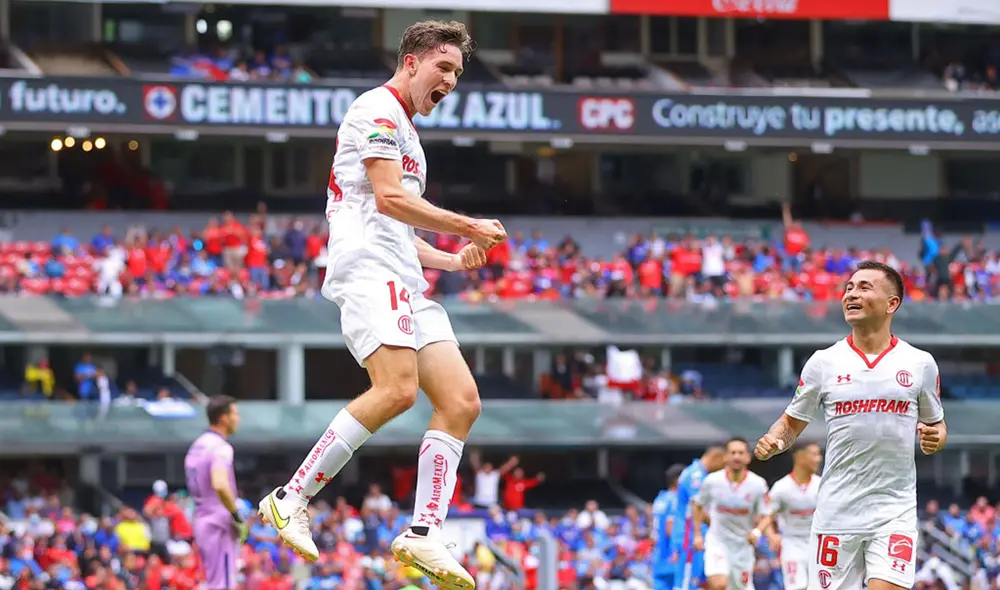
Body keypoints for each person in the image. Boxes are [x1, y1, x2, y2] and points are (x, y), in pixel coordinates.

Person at [257, 19, 507, 590]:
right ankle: (290, 497)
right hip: (369, 271)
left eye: (458, 72)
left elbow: (396, 224)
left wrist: (451, 260)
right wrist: (468, 224)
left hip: (402, 274)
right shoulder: (376, 109)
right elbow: (391, 199)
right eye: (444, 67)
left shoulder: (408, 133)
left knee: (461, 401)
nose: (451, 80)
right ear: (412, 61)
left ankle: (423, 533)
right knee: (396, 389)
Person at [754, 261, 947, 590]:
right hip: (837, 512)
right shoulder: (823, 362)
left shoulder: (920, 363)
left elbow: (937, 425)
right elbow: (790, 423)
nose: (851, 294)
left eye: (864, 287)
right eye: (849, 288)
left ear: (892, 303)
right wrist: (775, 439)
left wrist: (935, 438)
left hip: (893, 509)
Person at [692, 438, 770, 590]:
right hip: (717, 542)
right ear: (725, 457)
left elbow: (767, 515)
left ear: (748, 457)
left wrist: (757, 531)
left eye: (740, 453)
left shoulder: (757, 484)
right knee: (719, 584)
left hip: (743, 546)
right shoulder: (712, 481)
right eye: (732, 453)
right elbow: (698, 505)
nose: (736, 457)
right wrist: (697, 535)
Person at [185, 395, 245, 590]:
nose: (238, 419)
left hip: (201, 520)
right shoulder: (220, 448)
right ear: (224, 418)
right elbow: (219, 484)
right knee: (223, 585)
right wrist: (236, 515)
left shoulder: (197, 445)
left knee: (212, 581)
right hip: (219, 523)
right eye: (235, 414)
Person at [755, 442, 823, 590]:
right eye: (814, 454)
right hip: (792, 545)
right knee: (796, 587)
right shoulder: (781, 488)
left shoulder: (822, 486)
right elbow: (767, 515)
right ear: (800, 457)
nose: (819, 459)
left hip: (819, 545)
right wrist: (771, 535)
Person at [671, 445, 726, 590]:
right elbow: (698, 508)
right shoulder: (695, 475)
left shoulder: (698, 473)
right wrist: (723, 527)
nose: (722, 469)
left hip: (697, 537)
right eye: (722, 463)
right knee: (686, 583)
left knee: (702, 582)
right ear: (716, 457)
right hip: (689, 537)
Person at [652, 464, 686, 590]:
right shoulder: (675, 500)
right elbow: (669, 529)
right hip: (672, 557)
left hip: (658, 557)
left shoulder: (660, 499)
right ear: (678, 479)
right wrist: (677, 550)